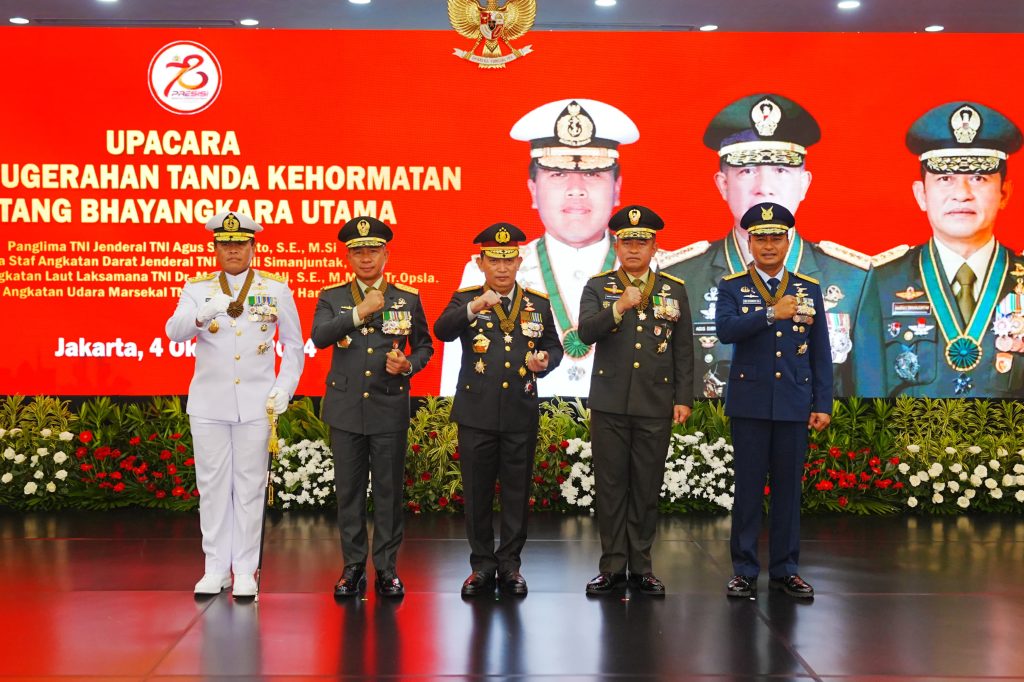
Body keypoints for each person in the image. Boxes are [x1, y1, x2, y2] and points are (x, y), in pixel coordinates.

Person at [659, 93, 870, 399]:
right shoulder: (679, 278)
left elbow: (864, 399)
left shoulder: (854, 279)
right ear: (722, 184)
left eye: (781, 170)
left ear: (805, 183)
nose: (764, 186)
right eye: (747, 170)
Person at [440, 98, 642, 397]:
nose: (576, 188)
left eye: (593, 173)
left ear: (617, 189)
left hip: (618, 417)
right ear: (533, 190)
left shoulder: (656, 268)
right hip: (520, 416)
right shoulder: (486, 269)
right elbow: (458, 366)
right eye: (558, 174)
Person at [165, 211, 304, 598]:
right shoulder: (197, 289)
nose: (233, 250)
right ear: (215, 248)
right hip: (209, 403)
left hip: (257, 404)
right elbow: (173, 332)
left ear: (252, 247)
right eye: (226, 245)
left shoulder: (276, 289)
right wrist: (203, 312)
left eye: (240, 244)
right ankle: (214, 568)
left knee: (249, 487)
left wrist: (285, 388)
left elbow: (293, 347)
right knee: (211, 488)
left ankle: (245, 569)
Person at [855, 101, 1024, 398]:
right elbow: (863, 397)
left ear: (1004, 193)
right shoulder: (877, 284)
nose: (962, 194)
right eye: (945, 179)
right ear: (921, 194)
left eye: (978, 178)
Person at [434, 222, 563, 597]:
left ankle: (510, 566)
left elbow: (554, 347)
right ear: (481, 262)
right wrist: (475, 307)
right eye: (494, 259)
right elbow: (442, 330)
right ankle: (481, 566)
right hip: (476, 414)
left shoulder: (536, 302)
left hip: (520, 411)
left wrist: (545, 360)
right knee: (476, 495)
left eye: (509, 259)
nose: (502, 267)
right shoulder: (466, 297)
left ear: (519, 260)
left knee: (516, 494)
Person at [311, 216, 434, 598]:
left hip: (388, 405)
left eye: (373, 251)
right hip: (346, 408)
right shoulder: (333, 297)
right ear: (348, 257)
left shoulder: (407, 297)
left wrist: (409, 365)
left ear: (386, 253)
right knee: (348, 492)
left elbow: (425, 346)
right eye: (358, 252)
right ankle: (351, 567)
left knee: (387, 492)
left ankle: (386, 568)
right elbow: (319, 336)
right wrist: (359, 311)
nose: (366, 259)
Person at [716, 202, 832, 600]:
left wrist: (823, 403)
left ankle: (786, 569)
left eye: (775, 237)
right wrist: (770, 314)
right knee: (747, 489)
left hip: (794, 402)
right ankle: (745, 570)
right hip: (749, 404)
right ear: (749, 241)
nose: (768, 245)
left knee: (788, 491)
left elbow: (820, 352)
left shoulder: (808, 289)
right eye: (760, 237)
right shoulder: (732, 286)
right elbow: (726, 331)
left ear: (788, 241)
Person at [577, 205, 694, 596]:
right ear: (616, 243)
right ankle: (611, 566)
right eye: (627, 241)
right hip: (609, 403)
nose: (633, 249)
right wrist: (618, 306)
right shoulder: (598, 286)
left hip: (654, 403)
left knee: (646, 487)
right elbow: (586, 334)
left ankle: (642, 567)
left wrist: (683, 398)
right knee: (610, 488)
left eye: (641, 242)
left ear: (654, 246)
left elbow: (683, 349)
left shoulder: (673, 289)